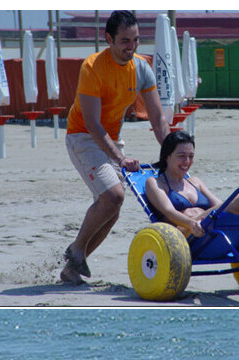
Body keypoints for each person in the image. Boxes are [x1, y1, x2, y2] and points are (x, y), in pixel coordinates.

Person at [61, 10, 171, 284]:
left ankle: (72, 269)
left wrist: (171, 153)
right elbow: (93, 125)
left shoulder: (141, 67)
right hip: (83, 137)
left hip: (111, 140)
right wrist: (121, 158)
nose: (131, 47)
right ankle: (76, 249)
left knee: (113, 207)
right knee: (114, 196)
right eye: (124, 41)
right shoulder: (92, 67)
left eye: (135, 40)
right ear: (108, 39)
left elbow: (157, 118)